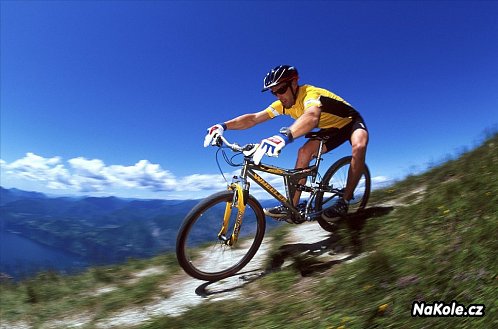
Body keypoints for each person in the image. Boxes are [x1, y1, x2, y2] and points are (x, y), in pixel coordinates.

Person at [203, 65, 369, 221]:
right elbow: (254, 118)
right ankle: (292, 207)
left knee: (359, 146)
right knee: (303, 153)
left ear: (294, 83)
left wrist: (284, 137)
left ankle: (344, 200)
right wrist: (223, 126)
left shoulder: (310, 94)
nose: (278, 96)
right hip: (331, 129)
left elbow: (312, 116)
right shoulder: (282, 105)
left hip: (351, 122)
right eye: (274, 93)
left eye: (281, 90)